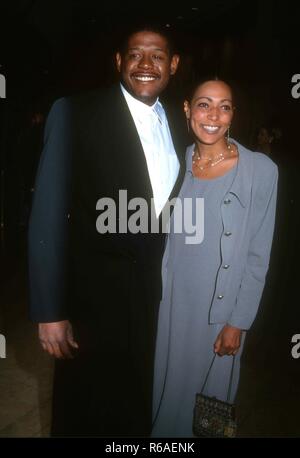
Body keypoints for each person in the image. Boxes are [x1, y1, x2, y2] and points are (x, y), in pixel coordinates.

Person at [28, 25, 186, 437]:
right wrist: (50, 311)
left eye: (157, 55)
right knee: (87, 411)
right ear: (119, 62)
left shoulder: (183, 125)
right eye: (135, 55)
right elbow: (46, 214)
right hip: (92, 308)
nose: (146, 65)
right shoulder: (75, 112)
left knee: (139, 408)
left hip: (156, 304)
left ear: (173, 65)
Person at [152, 79, 278, 437]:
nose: (213, 115)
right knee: (163, 402)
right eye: (204, 104)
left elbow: (258, 256)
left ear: (233, 115)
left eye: (224, 106)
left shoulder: (261, 171)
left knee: (207, 416)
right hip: (169, 311)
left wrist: (238, 321)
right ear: (187, 110)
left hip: (219, 318)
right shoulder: (171, 165)